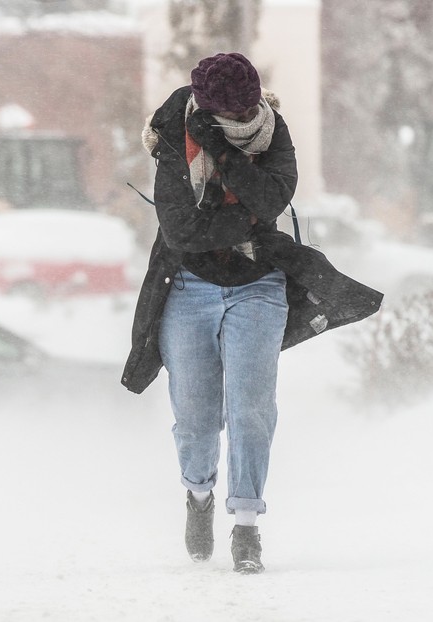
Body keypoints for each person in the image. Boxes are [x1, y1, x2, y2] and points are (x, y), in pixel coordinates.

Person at [121, 53, 383, 574]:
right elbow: (182, 233)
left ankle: (246, 526)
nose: (243, 123)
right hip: (188, 285)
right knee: (196, 419)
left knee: (251, 409)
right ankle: (198, 495)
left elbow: (271, 198)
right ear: (209, 107)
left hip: (259, 285)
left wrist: (221, 151)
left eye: (248, 112)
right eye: (230, 118)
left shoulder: (272, 131)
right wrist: (250, 221)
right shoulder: (174, 130)